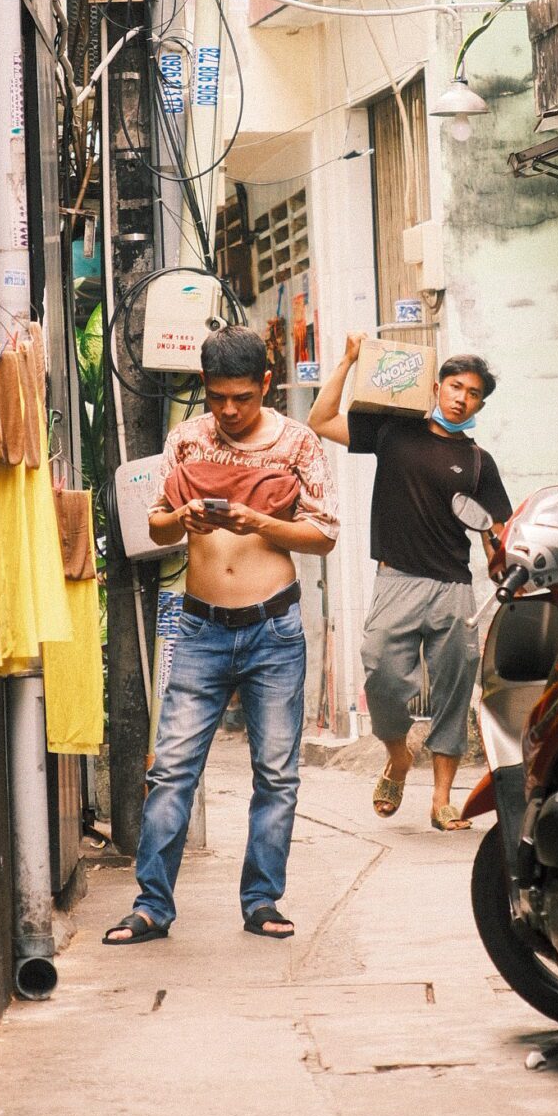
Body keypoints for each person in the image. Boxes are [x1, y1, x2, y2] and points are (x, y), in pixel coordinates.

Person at [104, 325, 337, 946]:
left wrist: (257, 519)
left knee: (277, 775)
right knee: (172, 771)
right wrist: (179, 518)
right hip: (201, 627)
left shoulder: (298, 443)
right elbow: (156, 530)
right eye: (217, 398)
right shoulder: (185, 439)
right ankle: (152, 905)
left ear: (266, 383)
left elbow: (325, 534)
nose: (229, 411)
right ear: (203, 388)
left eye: (243, 397)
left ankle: (262, 900)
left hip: (274, 629)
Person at [310, 341, 511, 830]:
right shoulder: (394, 431)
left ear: (481, 405)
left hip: (454, 588)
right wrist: (348, 361)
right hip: (396, 579)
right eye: (456, 386)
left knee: (454, 690)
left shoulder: (480, 462)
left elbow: (495, 532)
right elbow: (320, 420)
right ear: (437, 387)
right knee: (379, 674)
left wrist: (500, 556)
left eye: (474, 393)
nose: (462, 398)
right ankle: (398, 757)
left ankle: (442, 800)